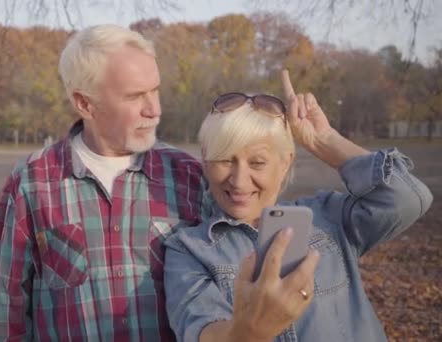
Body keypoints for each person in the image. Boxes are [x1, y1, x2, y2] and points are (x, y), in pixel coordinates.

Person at [0, 24, 213, 341]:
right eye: (135, 96)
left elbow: (231, 286)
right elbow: (2, 315)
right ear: (85, 103)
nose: (155, 109)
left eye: (155, 90)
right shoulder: (31, 182)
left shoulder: (190, 177)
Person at [163, 70, 433, 342]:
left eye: (257, 162)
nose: (239, 180)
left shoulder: (329, 217)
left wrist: (324, 140)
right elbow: (200, 330)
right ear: (206, 163)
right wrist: (247, 332)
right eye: (224, 160)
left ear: (285, 163)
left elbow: (407, 199)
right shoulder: (189, 250)